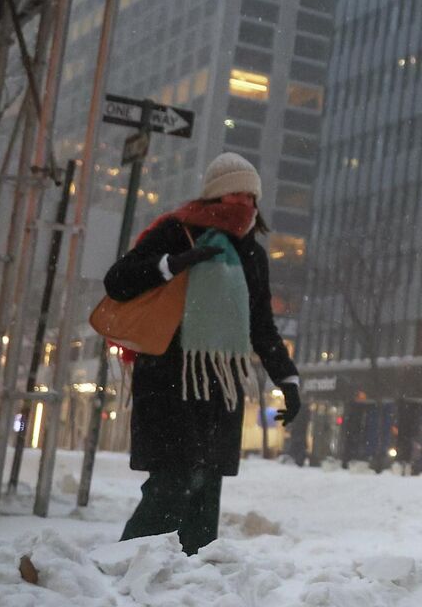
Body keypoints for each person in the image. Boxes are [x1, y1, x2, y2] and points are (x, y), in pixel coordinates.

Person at [102, 152, 302, 555]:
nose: (243, 204)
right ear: (214, 196)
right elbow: (118, 282)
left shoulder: (251, 254)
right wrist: (172, 264)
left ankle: (187, 584)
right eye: (234, 195)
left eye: (251, 196)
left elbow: (261, 325)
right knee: (173, 484)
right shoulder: (176, 232)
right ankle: (124, 568)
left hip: (219, 387)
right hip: (167, 380)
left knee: (205, 492)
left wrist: (288, 380)